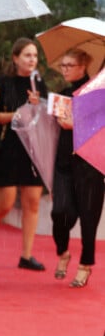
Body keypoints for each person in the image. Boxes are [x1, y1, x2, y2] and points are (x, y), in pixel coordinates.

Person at [0, 37, 48, 271]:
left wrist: (38, 108)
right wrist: (20, 113)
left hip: (32, 150)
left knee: (32, 202)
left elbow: (45, 119)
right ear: (15, 58)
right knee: (4, 203)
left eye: (35, 56)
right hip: (6, 149)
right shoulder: (3, 83)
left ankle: (26, 255)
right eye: (27, 55)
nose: (32, 60)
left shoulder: (39, 84)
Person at [51, 48, 104, 288]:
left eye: (69, 65)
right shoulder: (61, 94)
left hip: (89, 164)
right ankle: (63, 252)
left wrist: (77, 125)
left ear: (83, 67)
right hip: (63, 163)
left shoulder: (97, 93)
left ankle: (85, 264)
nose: (64, 70)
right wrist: (39, 105)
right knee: (60, 212)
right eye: (62, 65)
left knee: (88, 217)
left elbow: (99, 127)